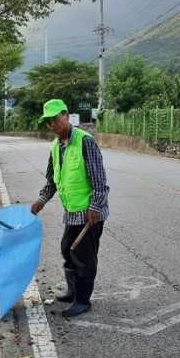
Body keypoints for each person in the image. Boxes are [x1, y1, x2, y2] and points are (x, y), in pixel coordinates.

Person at [30, 99, 109, 317]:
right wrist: (41, 201)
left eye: (55, 119)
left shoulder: (85, 141)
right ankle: (73, 291)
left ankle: (82, 300)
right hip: (72, 212)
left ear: (66, 115)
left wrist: (95, 207)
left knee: (84, 256)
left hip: (90, 212)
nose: (52, 125)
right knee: (68, 249)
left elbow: (99, 180)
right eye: (48, 123)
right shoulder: (56, 145)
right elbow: (51, 180)